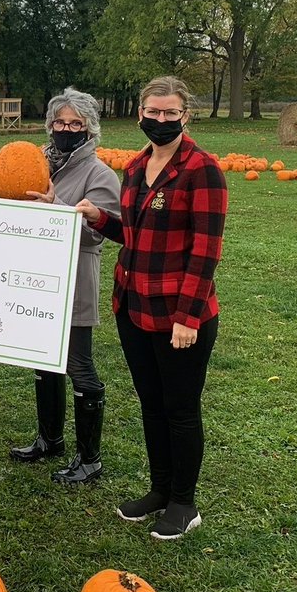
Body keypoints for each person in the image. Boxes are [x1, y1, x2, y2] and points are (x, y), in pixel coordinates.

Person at [75, 75, 226, 540]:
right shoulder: (137, 166)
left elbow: (206, 250)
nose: (160, 120)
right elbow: (137, 235)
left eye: (170, 113)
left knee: (180, 408)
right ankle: (159, 489)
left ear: (185, 115)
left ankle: (184, 501)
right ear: (141, 113)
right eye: (153, 112)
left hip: (180, 315)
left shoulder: (203, 170)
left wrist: (186, 316)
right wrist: (101, 218)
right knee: (151, 405)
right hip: (133, 307)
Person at [9, 88, 119, 486]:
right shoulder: (41, 165)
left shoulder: (100, 174)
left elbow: (96, 236)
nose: (67, 129)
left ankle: (90, 458)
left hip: (74, 282)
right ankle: (49, 439)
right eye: (60, 123)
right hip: (38, 280)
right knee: (44, 360)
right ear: (50, 125)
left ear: (89, 129)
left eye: (76, 124)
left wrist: (55, 208)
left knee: (78, 363)